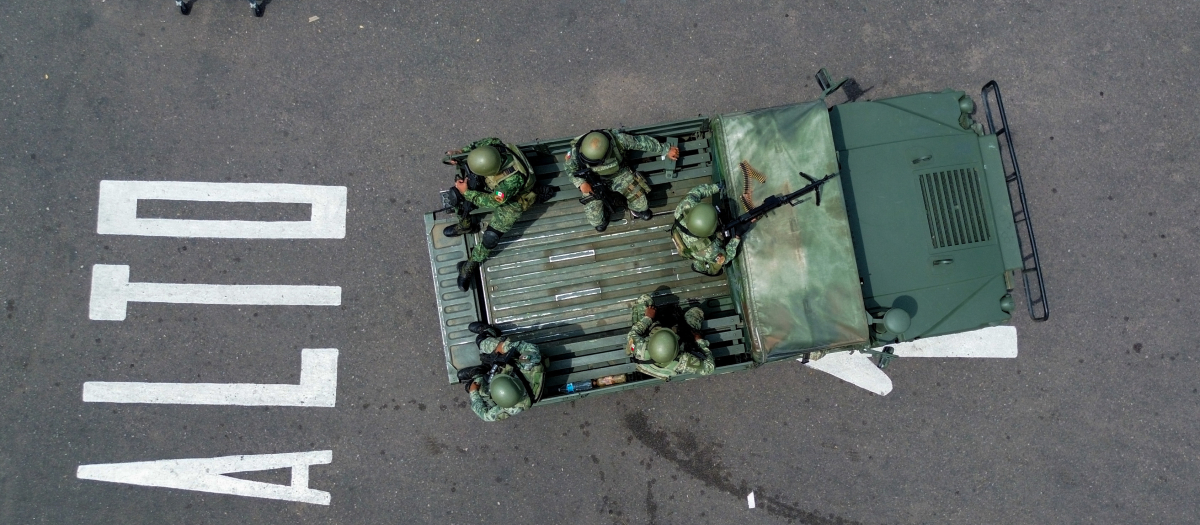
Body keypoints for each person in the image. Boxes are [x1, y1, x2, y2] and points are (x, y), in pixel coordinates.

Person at [442, 138, 543, 291]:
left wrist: (468, 192)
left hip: (513, 199)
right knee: (457, 198)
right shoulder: (493, 146)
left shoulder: (512, 180)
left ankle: (471, 264)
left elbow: (494, 201)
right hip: (494, 184)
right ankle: (466, 225)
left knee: (491, 237)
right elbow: (478, 145)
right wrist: (461, 153)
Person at [564, 129, 680, 232]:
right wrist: (581, 183)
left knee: (643, 206)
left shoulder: (618, 140)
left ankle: (635, 210)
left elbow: (641, 142)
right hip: (593, 181)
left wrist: (665, 149)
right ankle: (603, 217)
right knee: (596, 223)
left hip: (620, 174)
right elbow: (569, 169)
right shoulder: (575, 152)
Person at [458, 322, 546, 422]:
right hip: (510, 362)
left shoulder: (512, 405)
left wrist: (474, 392)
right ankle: (489, 332)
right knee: (482, 342)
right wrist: (504, 347)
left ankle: (479, 372)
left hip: (505, 369)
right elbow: (531, 348)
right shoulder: (528, 367)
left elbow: (486, 416)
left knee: (470, 387)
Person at [626, 293, 715, 380]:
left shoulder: (639, 348)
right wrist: (700, 342)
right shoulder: (681, 362)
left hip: (652, 336)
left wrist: (648, 318)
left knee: (644, 299)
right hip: (680, 338)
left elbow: (632, 333)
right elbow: (709, 368)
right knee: (696, 312)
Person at [670, 183, 740, 276]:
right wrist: (736, 239)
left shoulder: (686, 204)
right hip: (695, 250)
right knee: (713, 269)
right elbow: (725, 258)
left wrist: (717, 187)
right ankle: (699, 267)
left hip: (681, 233)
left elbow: (698, 191)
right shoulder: (710, 251)